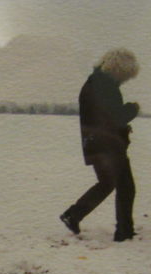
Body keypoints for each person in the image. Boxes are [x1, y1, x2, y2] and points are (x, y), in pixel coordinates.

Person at [60, 48, 140, 241]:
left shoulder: (94, 82)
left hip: (95, 144)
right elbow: (116, 116)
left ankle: (74, 214)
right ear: (119, 69)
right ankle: (124, 232)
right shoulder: (105, 86)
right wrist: (132, 108)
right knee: (125, 187)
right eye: (126, 76)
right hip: (108, 146)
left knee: (107, 183)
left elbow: (103, 117)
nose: (125, 80)